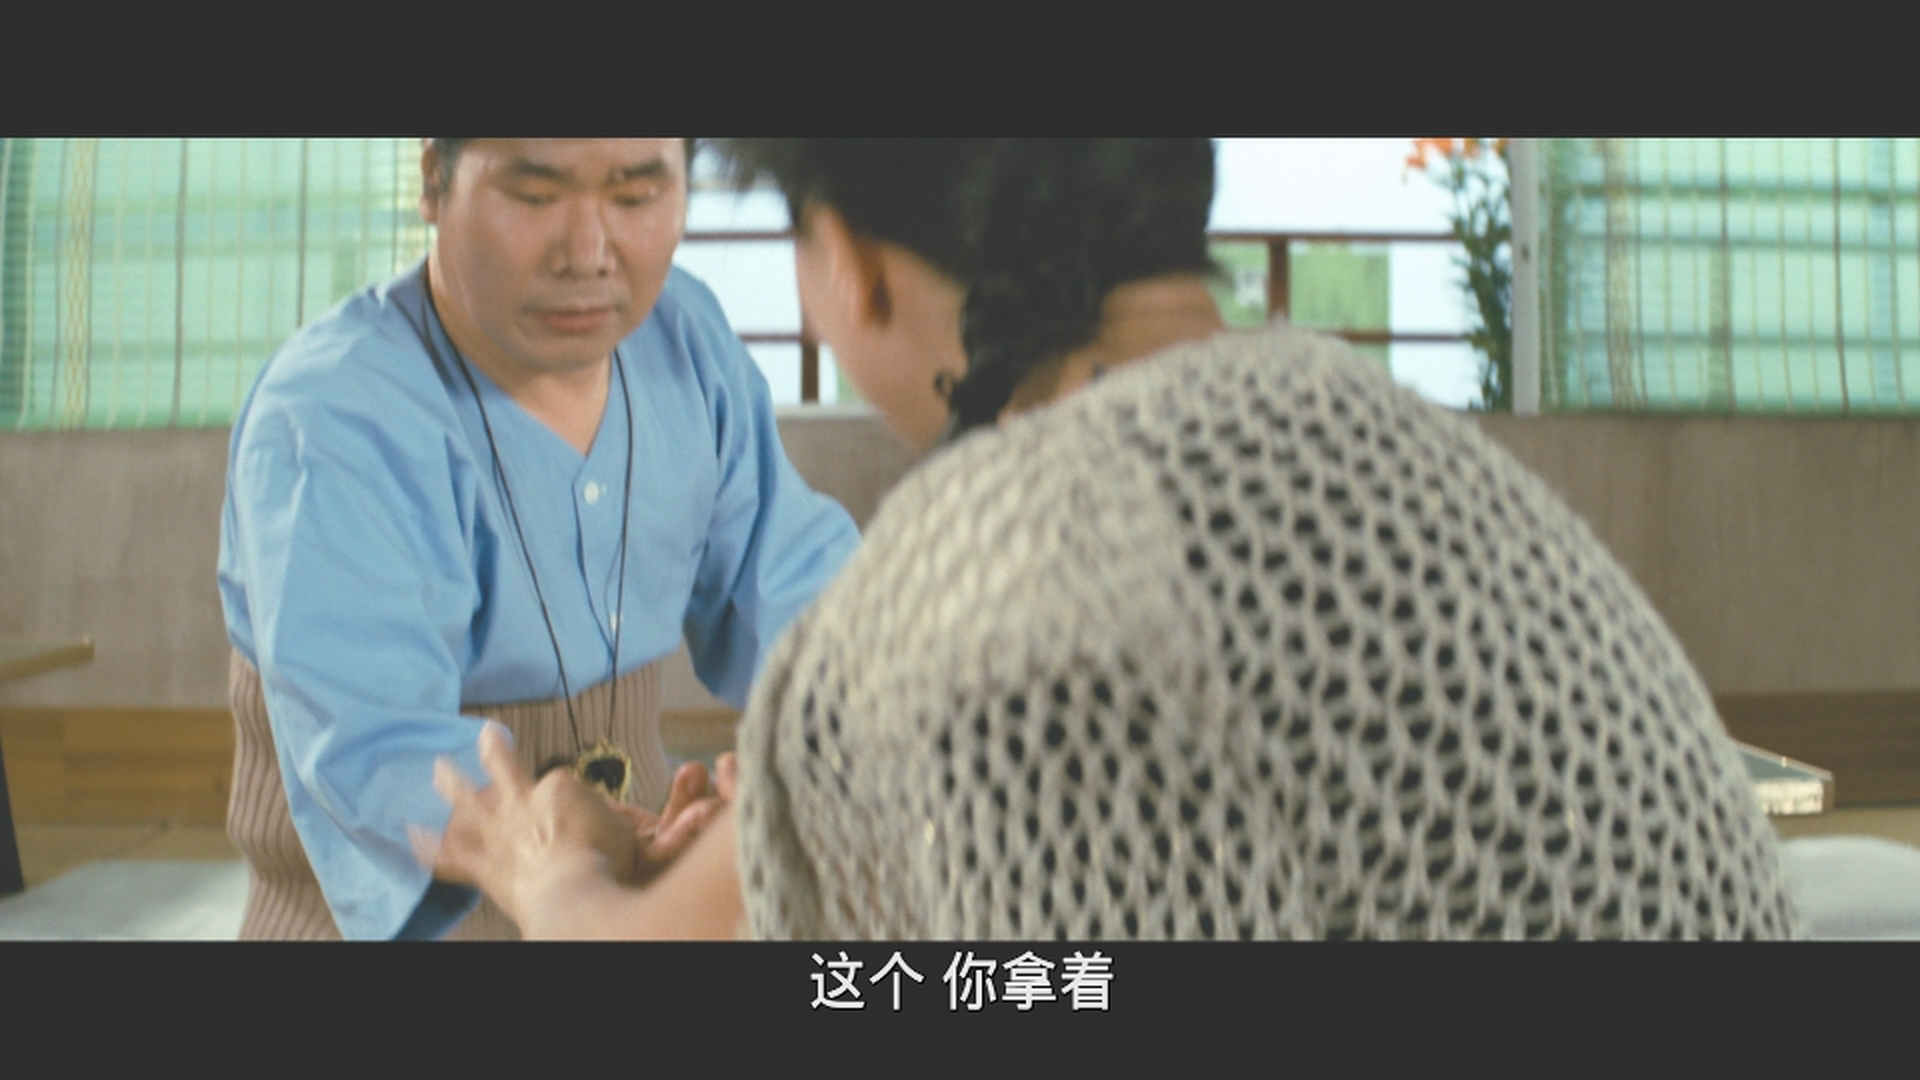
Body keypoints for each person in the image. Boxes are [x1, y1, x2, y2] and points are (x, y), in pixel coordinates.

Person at [429, 139, 1804, 940]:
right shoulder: (1365, 420)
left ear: (849, 262)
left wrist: (548, 866)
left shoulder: (1009, 545)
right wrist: (821, 817)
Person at [217, 138, 861, 940]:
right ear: (433, 179)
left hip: (620, 895)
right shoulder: (333, 412)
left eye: (635, 196)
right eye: (535, 195)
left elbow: (801, 592)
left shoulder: (683, 337)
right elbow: (378, 752)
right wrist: (580, 854)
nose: (588, 254)